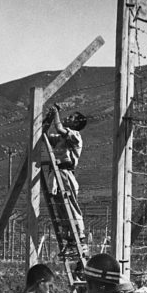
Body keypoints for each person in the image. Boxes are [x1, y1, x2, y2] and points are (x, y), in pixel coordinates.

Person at [44, 105, 88, 247]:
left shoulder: (75, 136)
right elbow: (45, 136)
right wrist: (47, 119)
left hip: (65, 173)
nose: (67, 119)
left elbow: (59, 128)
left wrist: (56, 114)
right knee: (60, 205)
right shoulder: (61, 139)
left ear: (76, 123)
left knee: (70, 204)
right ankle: (69, 235)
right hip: (56, 173)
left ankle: (79, 234)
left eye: (71, 118)